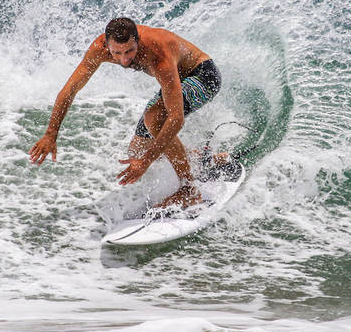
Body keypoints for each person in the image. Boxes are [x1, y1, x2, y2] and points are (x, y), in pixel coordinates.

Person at [28, 17, 222, 209]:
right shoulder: (100, 49)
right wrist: (51, 134)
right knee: (137, 150)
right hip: (172, 82)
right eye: (117, 53)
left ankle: (189, 189)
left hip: (202, 76)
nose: (124, 59)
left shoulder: (158, 55)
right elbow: (69, 90)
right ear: (107, 45)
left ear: (137, 40)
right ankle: (204, 160)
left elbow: (176, 119)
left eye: (130, 51)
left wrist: (146, 162)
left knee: (154, 120)